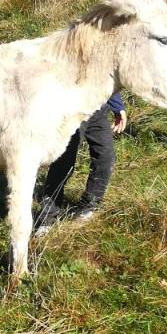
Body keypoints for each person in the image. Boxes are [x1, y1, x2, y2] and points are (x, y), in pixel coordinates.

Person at [35, 93, 127, 236]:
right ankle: (48, 219)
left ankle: (90, 206)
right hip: (72, 109)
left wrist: (118, 107)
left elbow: (107, 75)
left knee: (105, 157)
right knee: (63, 162)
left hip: (99, 110)